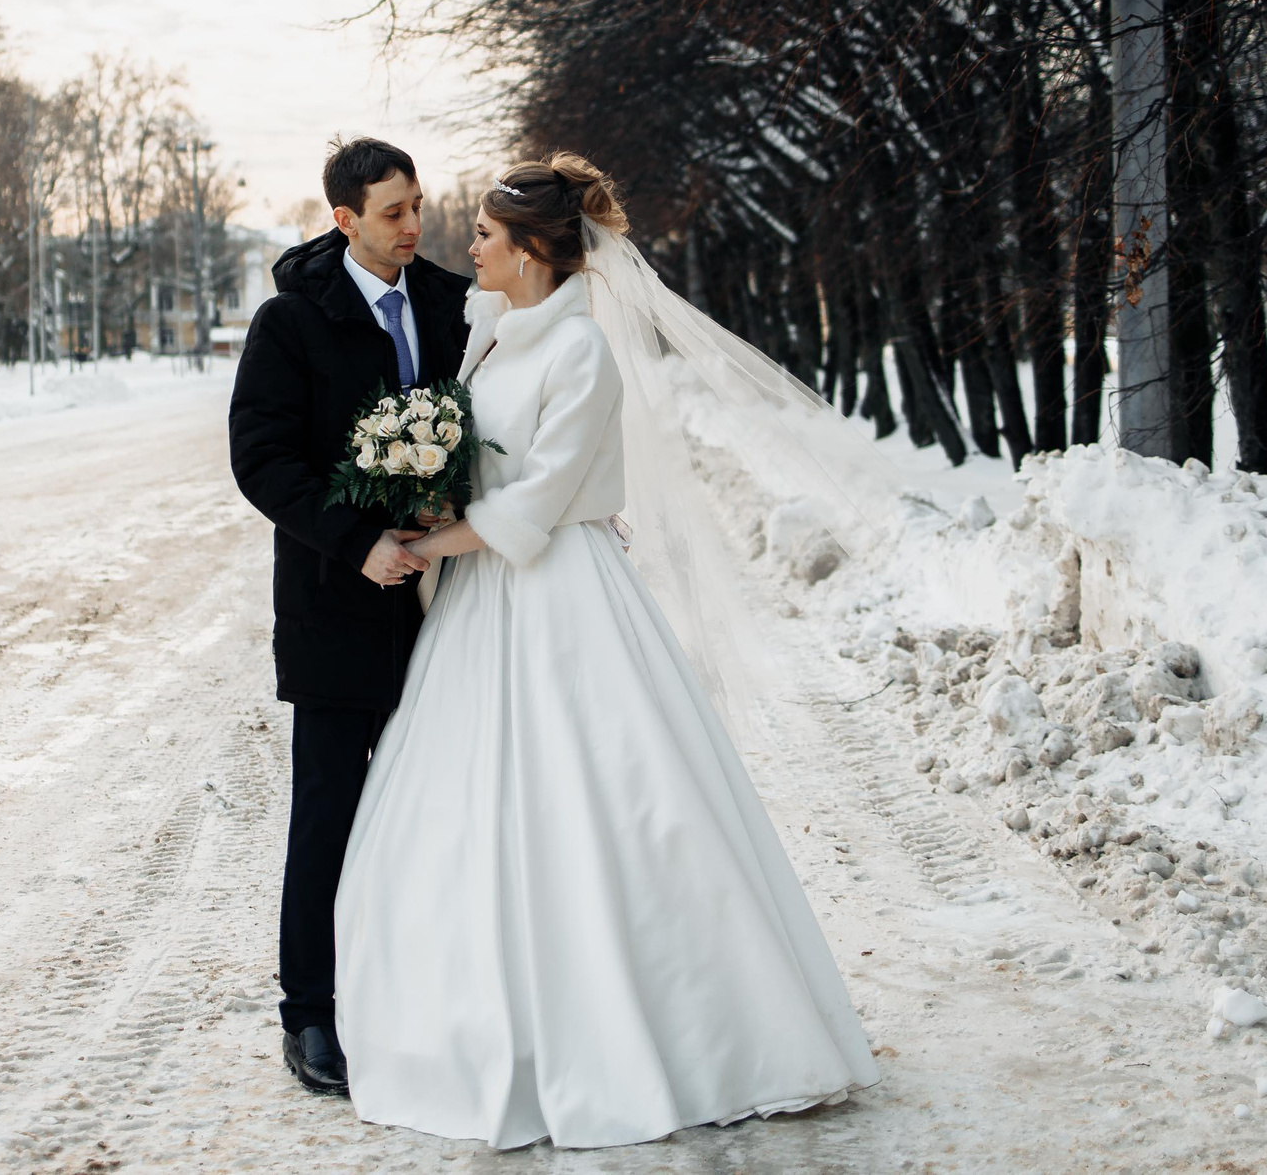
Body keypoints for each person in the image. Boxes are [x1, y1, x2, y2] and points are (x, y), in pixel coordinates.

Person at [333, 154, 881, 1150]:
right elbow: (473, 460)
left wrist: (422, 543)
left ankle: (672, 1035)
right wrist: (419, 497)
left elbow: (536, 505)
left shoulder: (580, 353)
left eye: (489, 235)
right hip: (484, 602)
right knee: (468, 809)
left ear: (535, 249)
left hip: (557, 595)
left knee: (600, 800)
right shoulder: (492, 340)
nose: (473, 246)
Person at [226, 137, 473, 1098]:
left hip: (455, 599)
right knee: (329, 807)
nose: (414, 227)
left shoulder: (455, 300)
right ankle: (313, 1013)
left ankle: (421, 988)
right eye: (393, 213)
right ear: (343, 220)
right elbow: (262, 459)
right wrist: (355, 538)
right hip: (338, 600)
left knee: (444, 804)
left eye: (418, 206)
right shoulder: (290, 322)